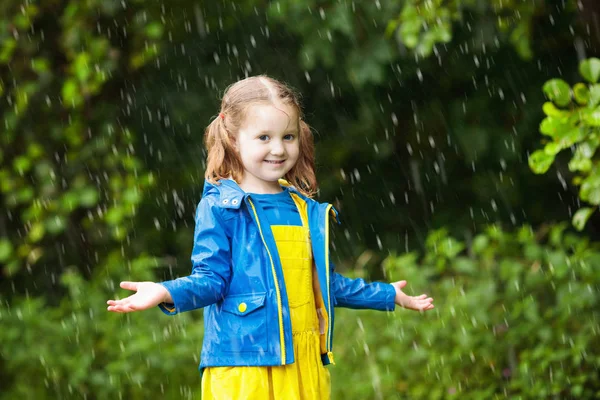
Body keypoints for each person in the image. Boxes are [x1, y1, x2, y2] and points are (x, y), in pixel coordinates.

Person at [106, 75, 434, 399]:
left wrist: (387, 295)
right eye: (264, 137)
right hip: (247, 367)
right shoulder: (221, 207)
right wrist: (165, 291)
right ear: (233, 139)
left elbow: (325, 284)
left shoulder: (305, 209)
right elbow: (211, 281)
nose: (278, 148)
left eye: (288, 136)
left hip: (303, 365)